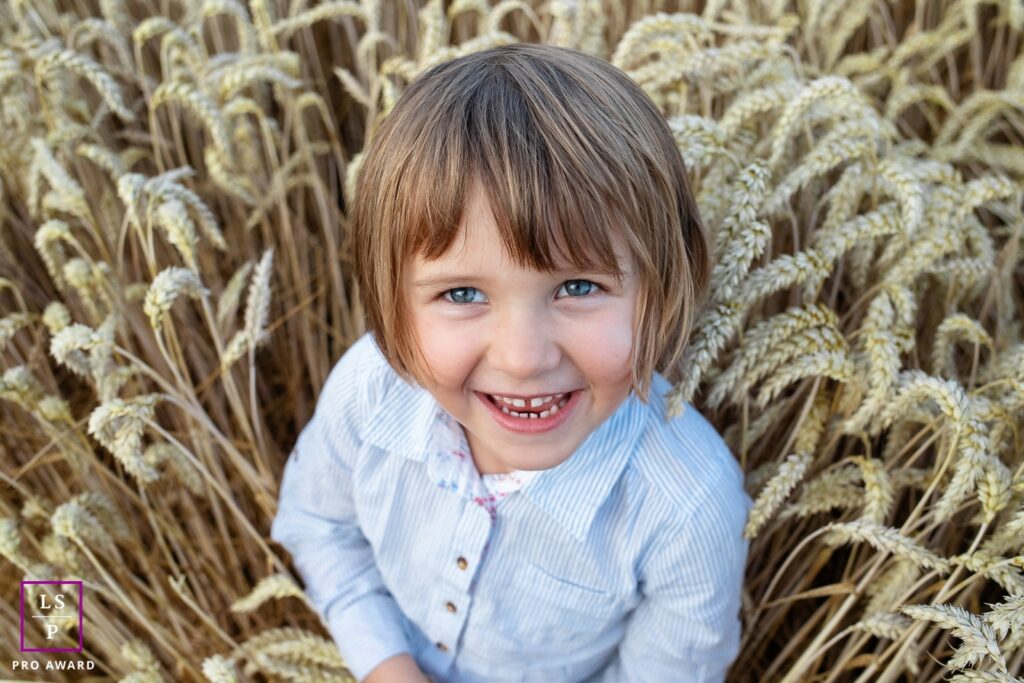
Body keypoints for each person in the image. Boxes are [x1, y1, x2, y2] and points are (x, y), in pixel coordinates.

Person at [270, 42, 751, 683]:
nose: (524, 359)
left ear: (663, 285)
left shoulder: (689, 507)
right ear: (389, 300)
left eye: (578, 288)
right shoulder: (369, 392)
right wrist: (388, 668)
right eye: (462, 294)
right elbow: (319, 527)